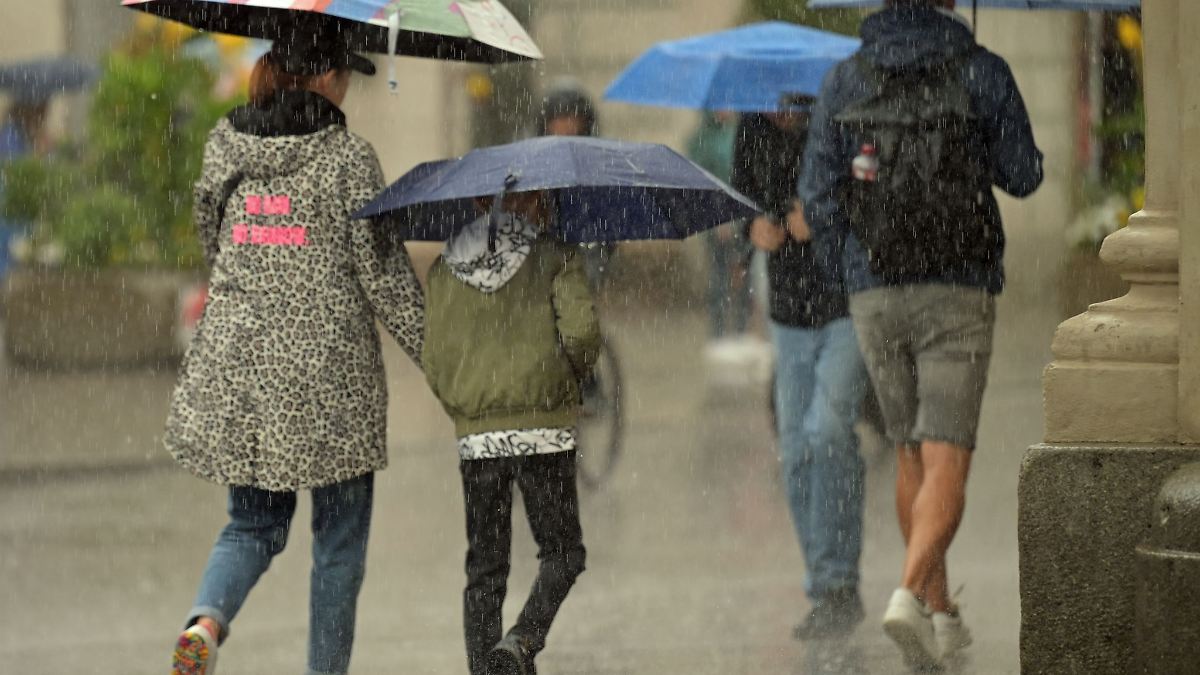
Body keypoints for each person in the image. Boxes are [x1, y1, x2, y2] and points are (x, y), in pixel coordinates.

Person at [167, 32, 425, 675]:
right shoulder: (347, 158)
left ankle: (204, 623)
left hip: (241, 369)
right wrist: (443, 362)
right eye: (343, 76)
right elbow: (384, 277)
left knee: (252, 525)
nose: (346, 89)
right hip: (329, 379)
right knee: (337, 546)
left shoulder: (225, 143)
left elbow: (215, 242)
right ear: (324, 78)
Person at [800, 0, 1044, 668]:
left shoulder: (846, 79)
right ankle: (909, 592)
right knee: (947, 456)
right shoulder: (981, 70)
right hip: (957, 288)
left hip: (874, 291)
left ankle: (941, 616)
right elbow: (1024, 174)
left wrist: (850, 272)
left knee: (909, 451)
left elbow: (817, 195)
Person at [422, 191, 599, 675]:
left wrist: (465, 405)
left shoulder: (444, 268)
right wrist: (567, 380)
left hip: (478, 440)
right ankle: (520, 643)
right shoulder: (556, 256)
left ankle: (486, 667)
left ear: (479, 204)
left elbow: (433, 356)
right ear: (538, 204)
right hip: (543, 430)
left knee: (485, 570)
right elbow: (581, 333)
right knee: (564, 553)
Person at [735, 97, 870, 639]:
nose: (780, 113)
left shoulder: (840, 119)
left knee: (828, 432)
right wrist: (752, 228)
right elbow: (738, 198)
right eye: (772, 104)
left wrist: (823, 217)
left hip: (846, 304)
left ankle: (838, 579)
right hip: (788, 315)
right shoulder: (752, 126)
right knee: (794, 452)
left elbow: (870, 193)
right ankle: (826, 583)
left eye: (791, 104)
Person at [686, 111, 754, 357]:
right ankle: (718, 334)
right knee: (720, 276)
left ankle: (741, 332)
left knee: (745, 275)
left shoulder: (741, 132)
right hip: (718, 220)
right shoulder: (702, 139)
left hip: (744, 218)